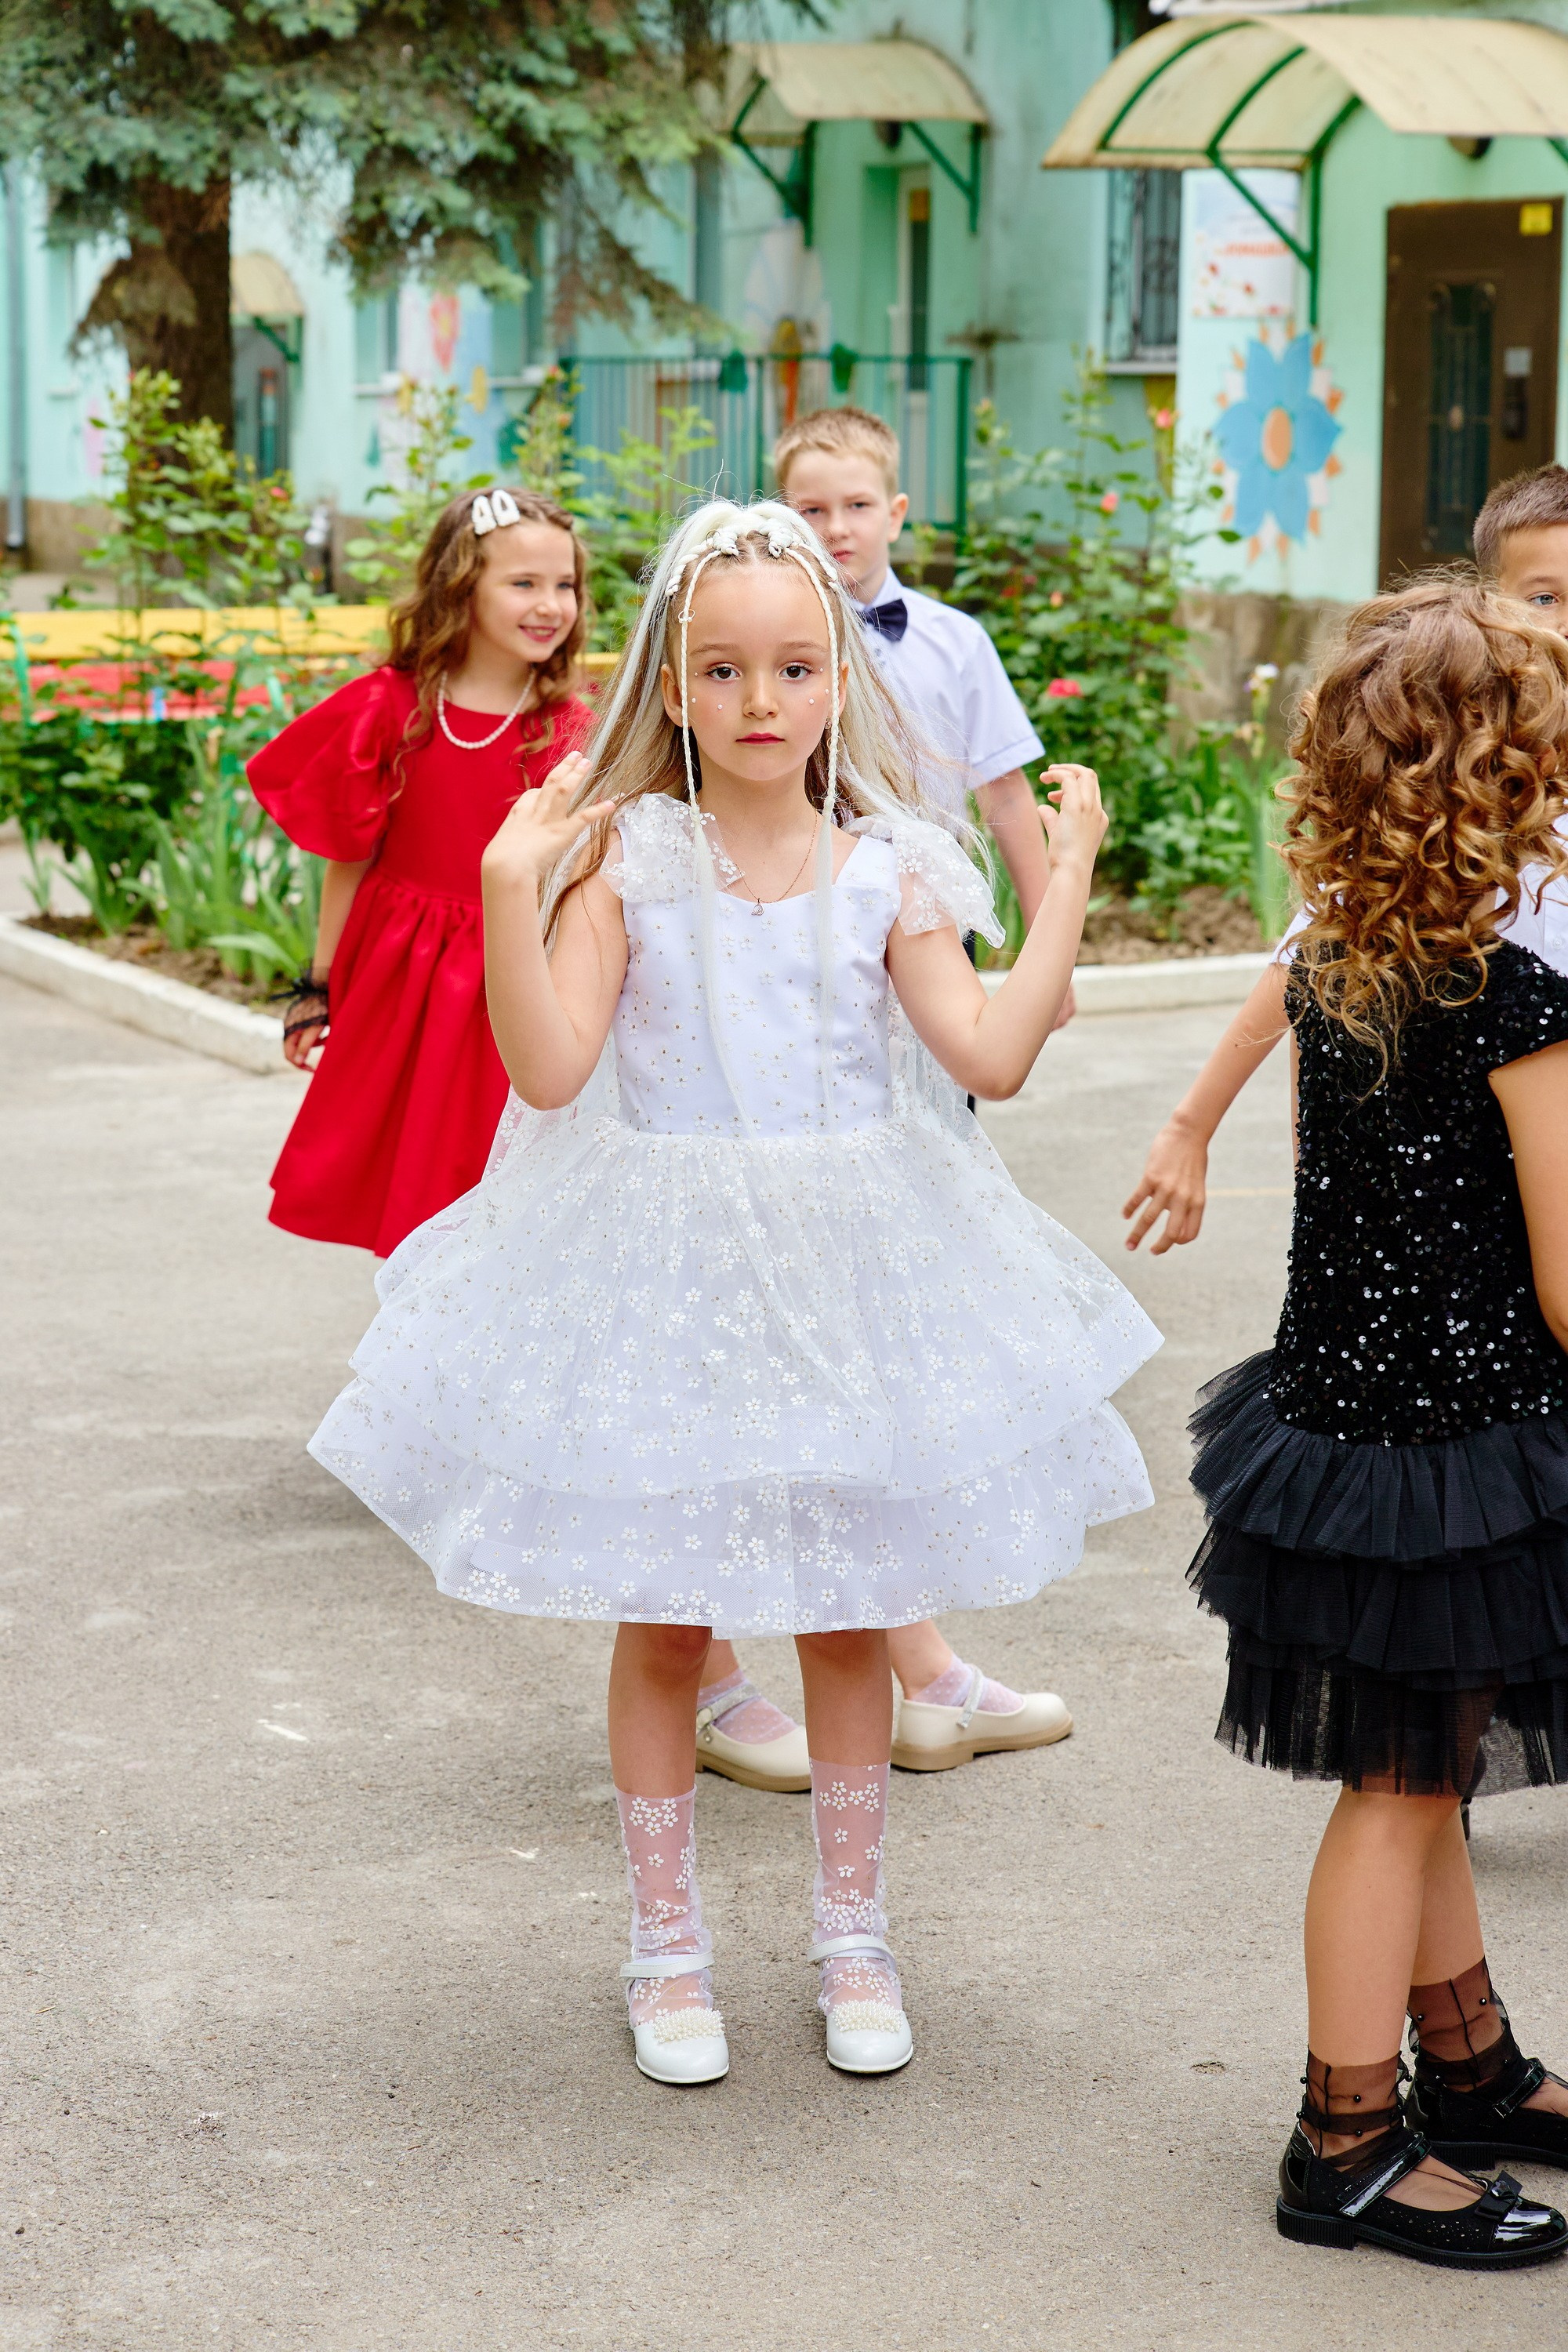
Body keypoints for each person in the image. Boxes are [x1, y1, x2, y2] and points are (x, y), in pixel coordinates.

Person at [307, 499, 1160, 2086]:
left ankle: (853, 1935)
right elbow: (551, 1073)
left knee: (846, 1614)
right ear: (672, 686)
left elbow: (989, 1056)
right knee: (670, 1615)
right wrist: (510, 888)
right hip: (670, 1281)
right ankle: (666, 1949)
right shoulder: (626, 863)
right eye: (719, 672)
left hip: (847, 1276)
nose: (759, 704)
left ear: (840, 674)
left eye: (790, 668)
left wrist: (1068, 888)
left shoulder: (890, 870)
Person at [1186, 578, 1568, 2267]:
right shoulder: (1518, 999)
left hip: (1354, 1432)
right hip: (1454, 1448)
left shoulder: (1345, 954)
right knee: (1404, 1787)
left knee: (1425, 1759)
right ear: (1504, 779)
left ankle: (1466, 2065)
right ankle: (1344, 2138)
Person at [683, 404, 1077, 1792]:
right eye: (812, 506)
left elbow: (1011, 802)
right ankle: (755, 1668)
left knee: (865, 1355)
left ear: (897, 513)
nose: (838, 527)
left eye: (858, 505)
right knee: (750, 1379)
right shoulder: (719, 687)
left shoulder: (950, 648)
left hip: (894, 980)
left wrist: (1045, 936)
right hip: (762, 1014)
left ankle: (915, 1666)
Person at [1126, 470, 1568, 1260]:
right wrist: (1191, 1123)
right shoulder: (1451, 788)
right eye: (1543, 597)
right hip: (1469, 1153)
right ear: (1483, 608)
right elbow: (1311, 956)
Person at [249, 487, 593, 1258]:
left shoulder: (567, 728)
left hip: (512, 981)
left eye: (564, 585)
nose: (550, 605)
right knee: (410, 1190)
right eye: (523, 584)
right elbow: (350, 857)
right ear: (459, 586)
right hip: (404, 981)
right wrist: (318, 986)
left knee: (503, 1196)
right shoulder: (390, 708)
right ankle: (415, 1355)